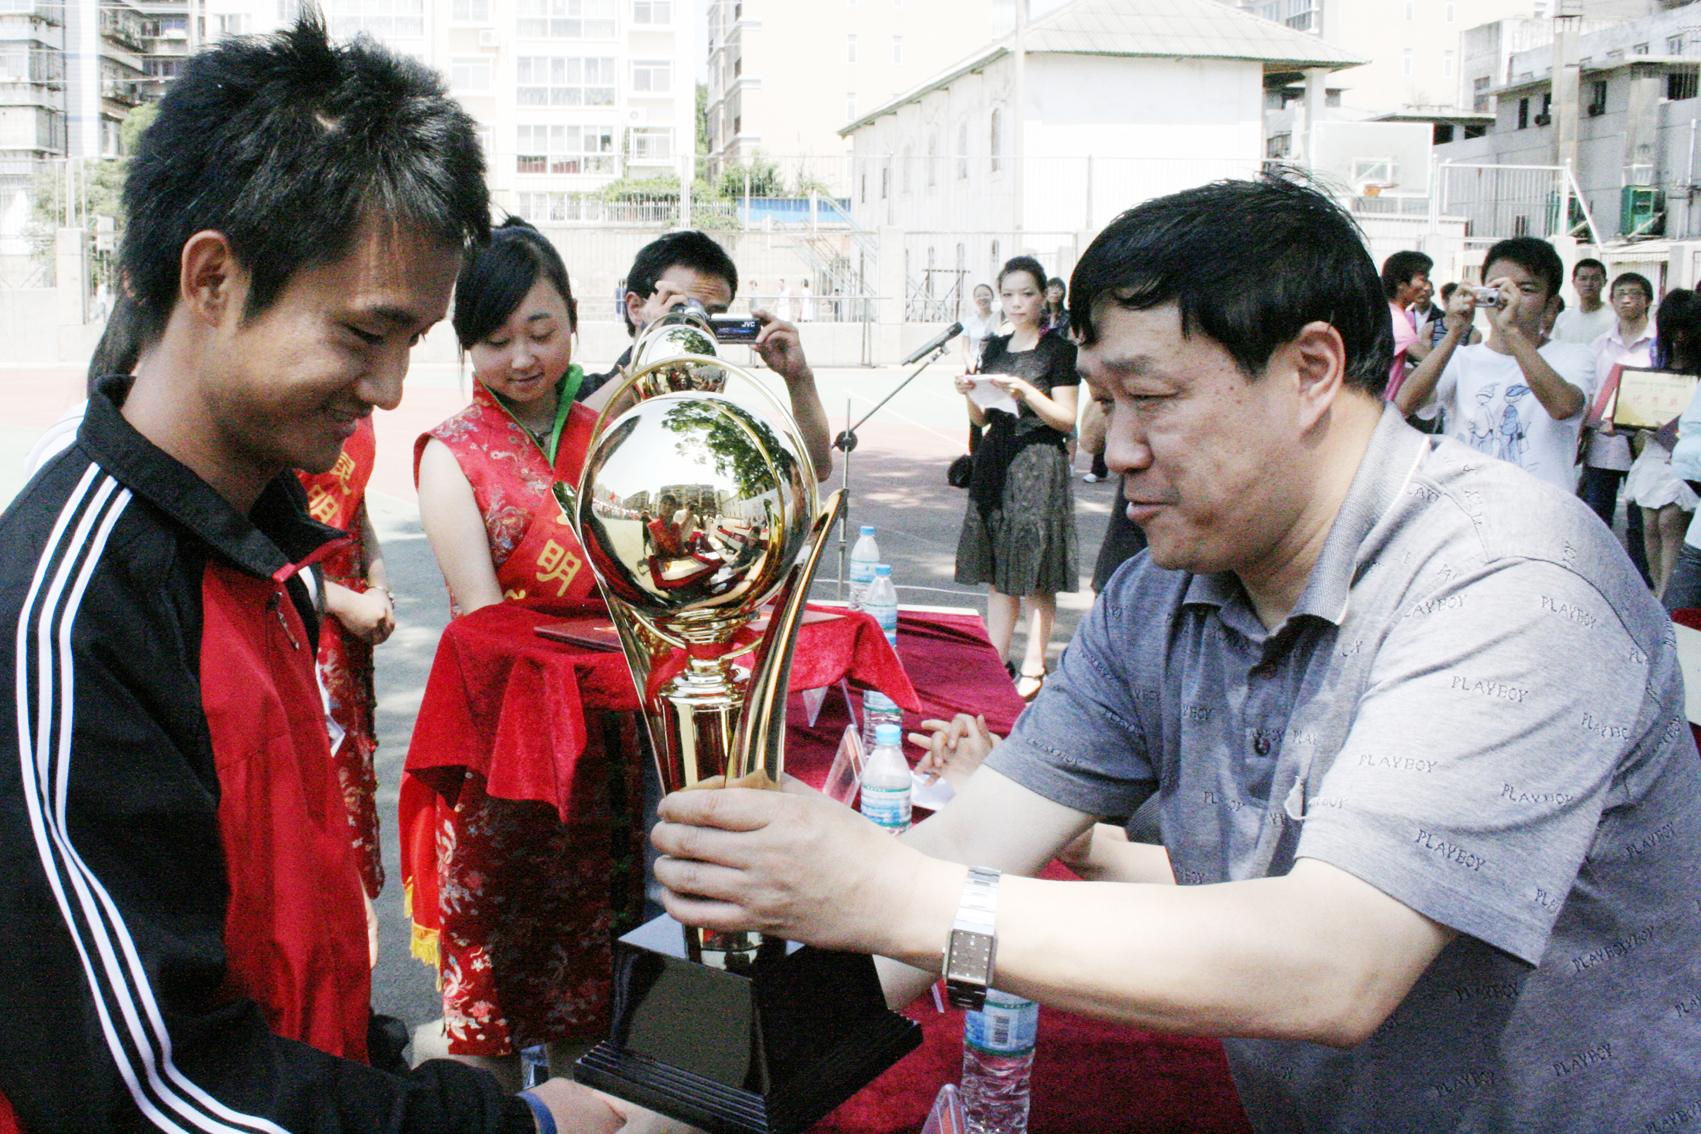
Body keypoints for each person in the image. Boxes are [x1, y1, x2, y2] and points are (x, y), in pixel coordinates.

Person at [647, 175, 1701, 1132]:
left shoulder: (1508, 581)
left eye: (1148, 400)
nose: (1112, 451)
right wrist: (657, 1091)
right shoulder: (1166, 591)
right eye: (1102, 403)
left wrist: (892, 896)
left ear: (1311, 369)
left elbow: (1334, 963)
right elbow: (966, 846)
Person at [0, 16, 645, 1132]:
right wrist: (514, 1126)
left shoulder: (249, 548)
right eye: (363, 335)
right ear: (213, 278)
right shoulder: (72, 614)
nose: (389, 389)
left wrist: (396, 1072)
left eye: (414, 343)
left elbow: (280, 968)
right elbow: (151, 1090)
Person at [411, 219, 648, 1086]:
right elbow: (486, 625)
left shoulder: (614, 437)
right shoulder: (451, 453)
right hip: (508, 745)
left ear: (574, 324)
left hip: (615, 743)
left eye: (541, 332)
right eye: (495, 340)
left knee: (604, 971)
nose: (520, 359)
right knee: (497, 980)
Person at [579, 231, 833, 479]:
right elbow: (563, 450)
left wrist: (798, 377)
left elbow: (814, 468)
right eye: (681, 308)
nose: (698, 326)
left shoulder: (718, 416)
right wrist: (650, 355)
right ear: (636, 308)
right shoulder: (581, 392)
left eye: (712, 315)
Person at [952, 256, 1080, 700]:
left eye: (1026, 293)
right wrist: (969, 392)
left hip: (1039, 460)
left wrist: (1025, 391)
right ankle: (997, 658)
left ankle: (1034, 665)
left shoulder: (1059, 350)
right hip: (997, 457)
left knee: (1037, 572)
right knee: (997, 567)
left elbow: (1066, 418)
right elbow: (981, 418)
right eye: (1008, 294)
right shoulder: (994, 347)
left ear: (1043, 295)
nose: (1016, 302)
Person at [1395, 236, 1597, 491]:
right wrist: (1455, 331)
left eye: (1526, 289)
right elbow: (1406, 404)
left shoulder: (1575, 356)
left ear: (1551, 304)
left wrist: (1511, 332)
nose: (1508, 298)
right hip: (1470, 503)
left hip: (1541, 505)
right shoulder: (1461, 358)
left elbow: (1562, 407)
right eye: (1497, 287)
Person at [1622, 288, 1701, 598]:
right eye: (1673, 329)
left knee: (1670, 521)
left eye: (1686, 328)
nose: (1679, 336)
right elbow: (1629, 418)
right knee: (1650, 524)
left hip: (1684, 459)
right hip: (1655, 454)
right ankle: (1658, 593)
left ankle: (1668, 598)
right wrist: (1627, 419)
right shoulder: (1653, 366)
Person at [1583, 271, 1658, 583]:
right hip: (1602, 443)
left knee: (1642, 520)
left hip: (1645, 444)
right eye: (1621, 294)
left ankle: (1642, 581)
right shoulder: (1599, 345)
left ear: (1648, 300)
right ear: (1611, 300)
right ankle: (1599, 579)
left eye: (1635, 294)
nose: (1628, 299)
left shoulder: (1658, 344)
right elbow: (1589, 390)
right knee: (1597, 514)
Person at [1379, 249, 1430, 403]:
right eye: (1422, 280)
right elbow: (1427, 359)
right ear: (1400, 284)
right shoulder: (1394, 318)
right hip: (1381, 407)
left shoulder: (1405, 316)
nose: (1427, 287)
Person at [1550, 257, 1615, 345]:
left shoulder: (1615, 318)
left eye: (1595, 279)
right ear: (1574, 282)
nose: (1589, 283)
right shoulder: (1563, 319)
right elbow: (1554, 348)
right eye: (1583, 278)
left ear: (1605, 282)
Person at [959, 281, 999, 371]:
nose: (982, 298)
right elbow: (965, 350)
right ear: (974, 299)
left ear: (992, 297)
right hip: (975, 367)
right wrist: (972, 365)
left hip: (997, 366)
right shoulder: (969, 322)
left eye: (986, 295)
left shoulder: (999, 319)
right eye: (978, 296)